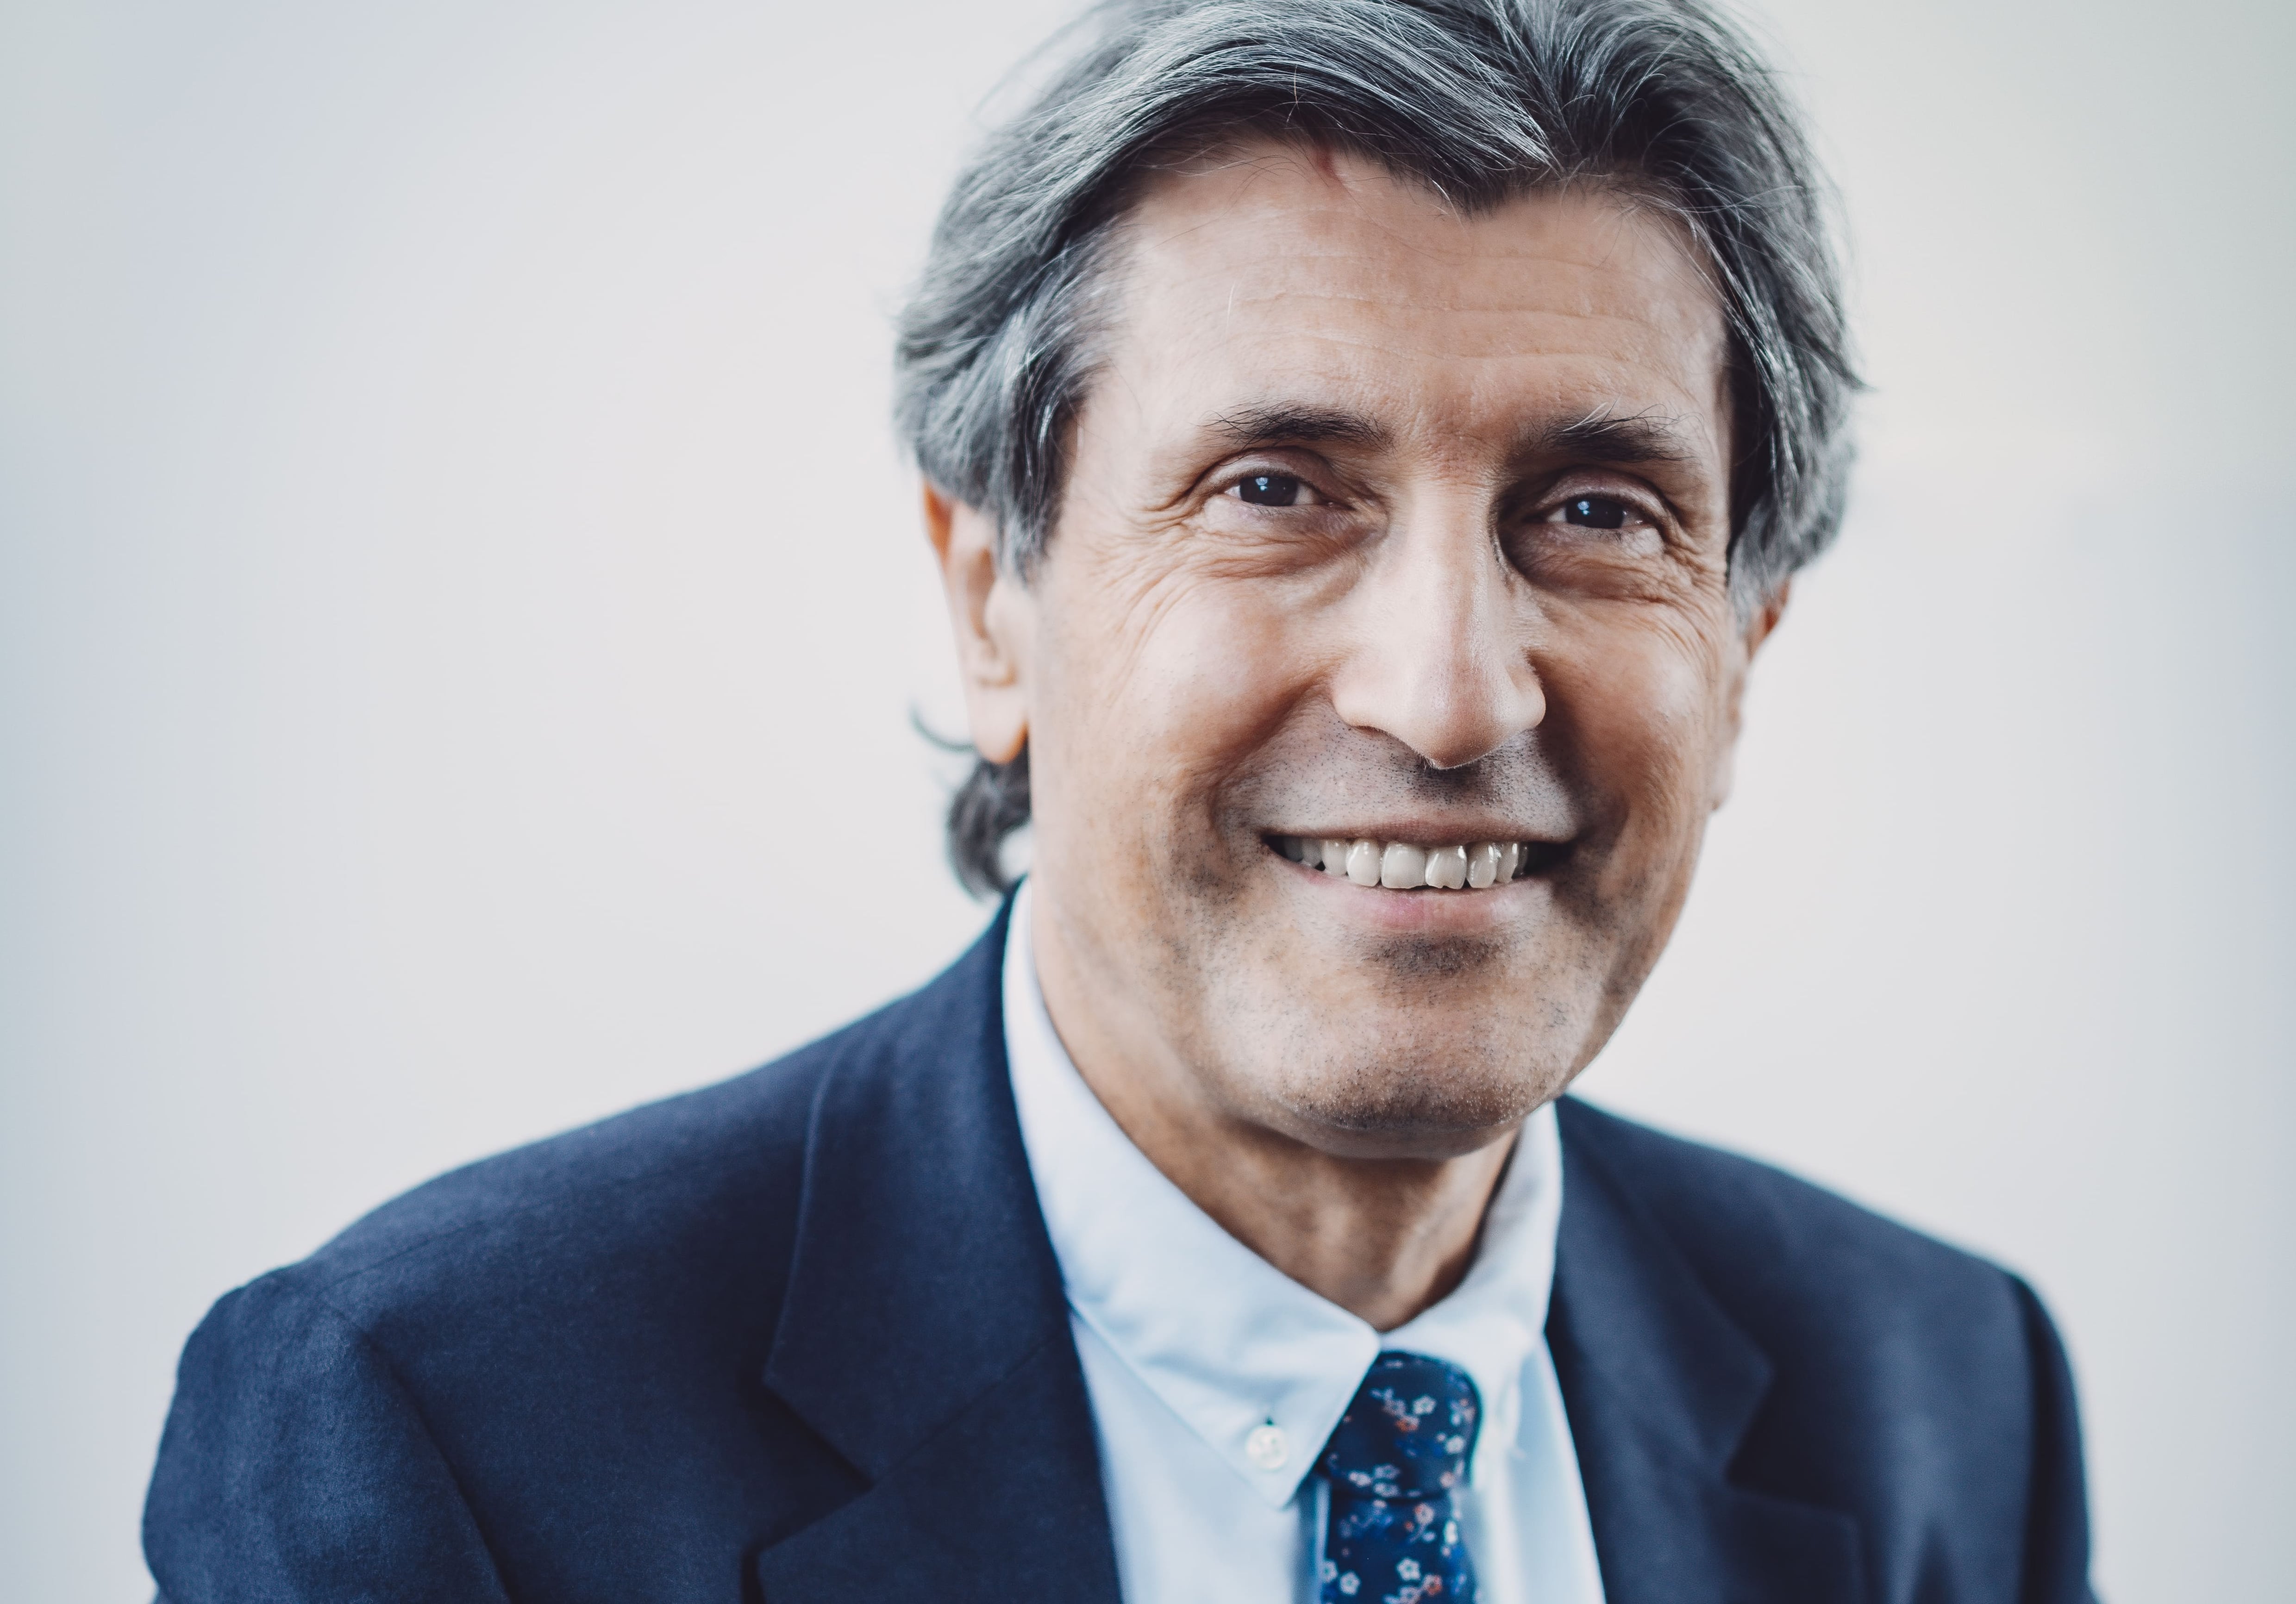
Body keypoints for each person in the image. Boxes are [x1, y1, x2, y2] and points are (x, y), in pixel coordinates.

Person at [142, 1, 2096, 1599]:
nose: (1445, 693)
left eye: (1592, 511)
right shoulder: (443, 1431)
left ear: (1744, 643)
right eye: (1275, 490)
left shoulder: (1940, 1402)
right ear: (991, 600)